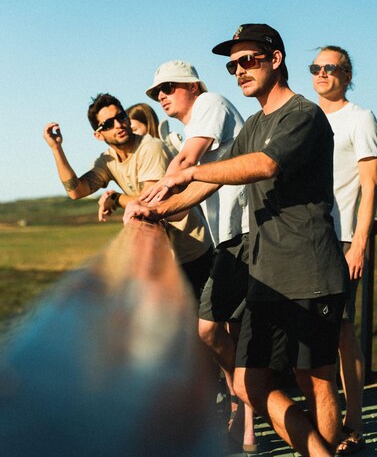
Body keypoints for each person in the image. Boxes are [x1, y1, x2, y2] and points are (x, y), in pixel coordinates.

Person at [124, 24, 350, 457]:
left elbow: (263, 165)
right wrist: (155, 209)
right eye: (233, 65)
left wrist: (190, 170)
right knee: (250, 383)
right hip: (266, 273)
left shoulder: (303, 114)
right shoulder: (253, 124)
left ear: (276, 60)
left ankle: (329, 448)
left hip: (310, 269)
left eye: (249, 60)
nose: (239, 70)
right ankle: (318, 452)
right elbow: (210, 183)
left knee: (315, 378)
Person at [145, 60, 254, 452]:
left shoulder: (212, 103)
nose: (161, 96)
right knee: (230, 332)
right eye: (157, 92)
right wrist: (154, 209)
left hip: (244, 232)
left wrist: (145, 202)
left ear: (193, 85)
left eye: (169, 87)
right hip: (226, 237)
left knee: (212, 330)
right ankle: (245, 415)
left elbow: (187, 163)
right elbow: (193, 185)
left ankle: (247, 411)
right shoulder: (192, 126)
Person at [43, 93, 213, 300]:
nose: (118, 125)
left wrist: (115, 198)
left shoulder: (151, 147)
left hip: (191, 251)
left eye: (121, 116)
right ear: (98, 135)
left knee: (201, 328)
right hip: (163, 258)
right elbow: (76, 191)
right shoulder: (107, 161)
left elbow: (151, 202)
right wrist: (56, 149)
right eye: (107, 124)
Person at [310, 46, 377, 455]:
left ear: (347, 75)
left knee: (342, 331)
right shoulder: (307, 118)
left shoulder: (360, 118)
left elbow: (371, 184)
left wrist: (360, 243)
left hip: (344, 239)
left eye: (330, 68)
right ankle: (325, 422)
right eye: (315, 68)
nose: (321, 74)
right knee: (315, 332)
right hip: (309, 239)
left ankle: (354, 424)